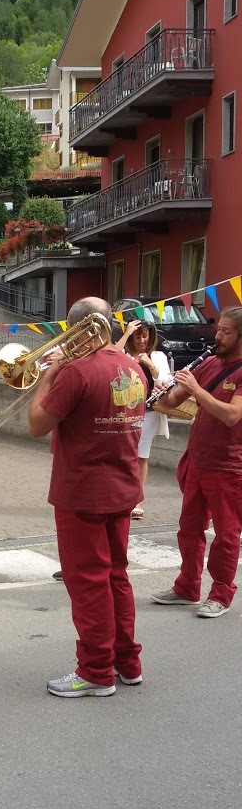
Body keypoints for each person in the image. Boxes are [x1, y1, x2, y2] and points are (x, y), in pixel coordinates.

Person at [28, 296, 146, 698]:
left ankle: (95, 671)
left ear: (74, 328)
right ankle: (127, 663)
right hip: (123, 487)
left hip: (83, 492)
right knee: (116, 577)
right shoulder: (133, 367)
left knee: (88, 583)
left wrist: (48, 373)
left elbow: (36, 424)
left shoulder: (75, 373)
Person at [151, 306, 242, 619]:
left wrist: (196, 389)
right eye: (219, 329)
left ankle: (221, 594)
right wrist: (159, 393)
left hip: (230, 466)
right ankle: (187, 586)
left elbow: (231, 415)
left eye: (226, 331)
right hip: (198, 459)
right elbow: (173, 402)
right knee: (189, 528)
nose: (217, 336)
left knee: (227, 536)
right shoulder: (210, 362)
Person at [115, 319, 171, 519]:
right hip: (124, 412)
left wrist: (150, 365)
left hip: (148, 412)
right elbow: (109, 357)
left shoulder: (158, 356)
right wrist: (126, 333)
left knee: (141, 456)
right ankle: (121, 496)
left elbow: (165, 382)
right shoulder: (123, 354)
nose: (141, 341)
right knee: (122, 455)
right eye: (137, 336)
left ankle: (136, 499)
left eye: (145, 336)